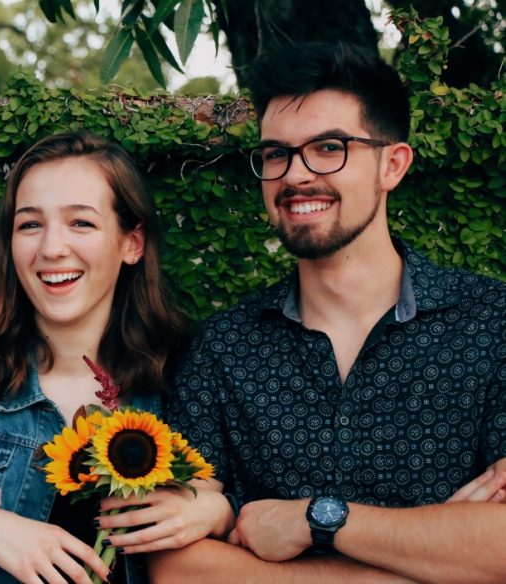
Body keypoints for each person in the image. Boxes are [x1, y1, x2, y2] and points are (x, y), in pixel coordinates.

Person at [152, 41, 506, 582]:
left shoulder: (493, 325)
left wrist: (316, 521)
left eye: (328, 148)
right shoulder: (223, 348)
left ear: (393, 164)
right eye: (276, 154)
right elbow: (177, 566)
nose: (295, 176)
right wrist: (434, 555)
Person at [0, 130, 237, 583]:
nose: (51, 248)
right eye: (30, 224)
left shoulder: (191, 372)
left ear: (132, 243)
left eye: (81, 223)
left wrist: (220, 512)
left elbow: (266, 518)